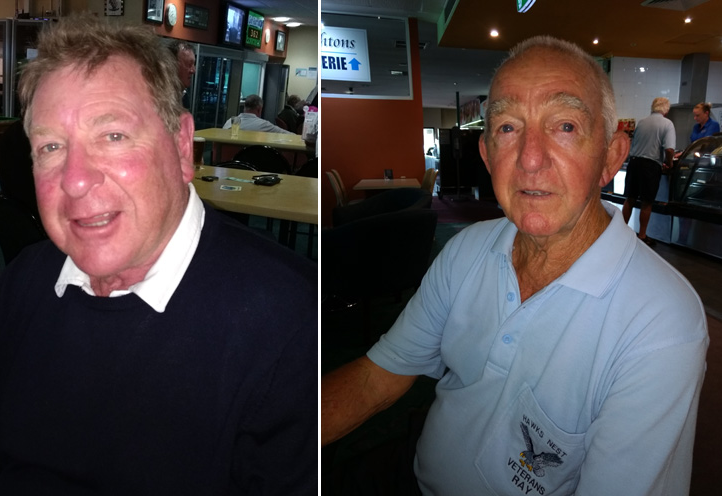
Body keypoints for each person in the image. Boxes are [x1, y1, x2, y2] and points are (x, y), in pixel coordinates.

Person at [0, 15, 316, 494]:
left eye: (112, 136)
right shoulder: (26, 281)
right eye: (50, 146)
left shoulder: (291, 321)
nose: (74, 178)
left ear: (180, 147)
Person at [322, 36, 708, 496]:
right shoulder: (467, 250)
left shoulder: (663, 321)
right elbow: (376, 376)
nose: (529, 158)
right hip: (412, 468)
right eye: (507, 128)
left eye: (564, 126)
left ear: (610, 158)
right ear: (487, 156)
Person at [622, 97, 675, 247]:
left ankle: (621, 232)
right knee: (647, 202)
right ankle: (642, 235)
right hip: (650, 166)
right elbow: (670, 149)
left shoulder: (642, 122)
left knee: (630, 198)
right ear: (666, 109)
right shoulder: (667, 124)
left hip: (634, 163)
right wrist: (669, 163)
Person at [224, 94, 294, 134]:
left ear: (244, 107)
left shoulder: (229, 122)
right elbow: (289, 135)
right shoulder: (264, 125)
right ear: (259, 109)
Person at [167, 40, 196, 110]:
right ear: (172, 65)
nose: (193, 70)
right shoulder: (157, 97)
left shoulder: (184, 97)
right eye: (189, 64)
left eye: (193, 64)